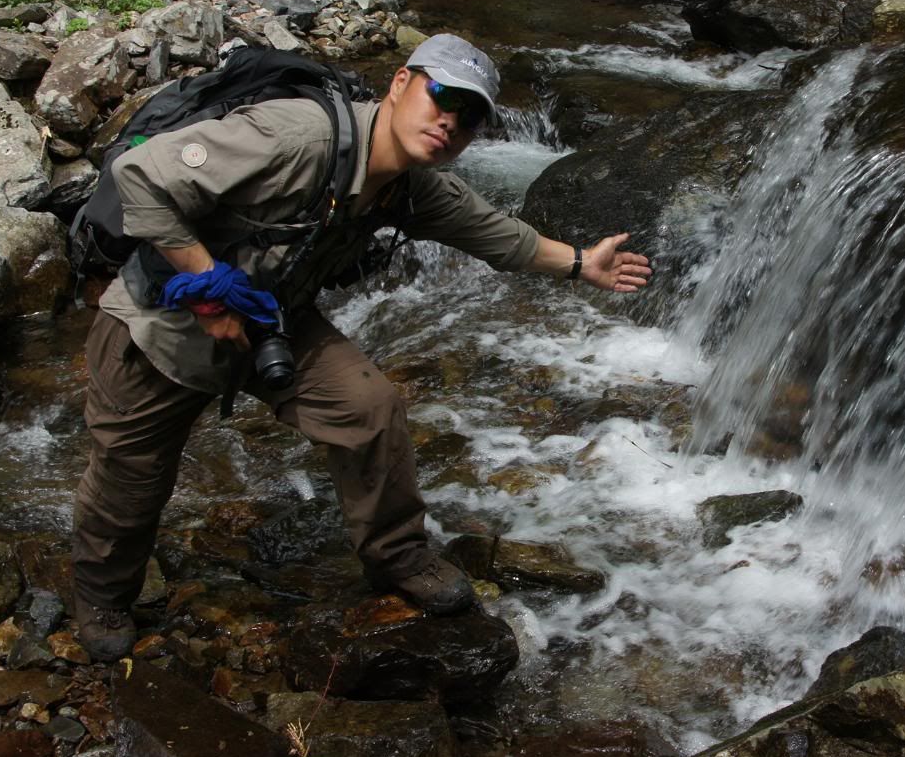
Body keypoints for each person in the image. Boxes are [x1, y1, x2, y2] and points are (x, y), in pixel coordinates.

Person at [72, 34, 651, 661]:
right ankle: (102, 597)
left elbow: (497, 234)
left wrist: (580, 263)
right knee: (132, 481)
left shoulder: (409, 186)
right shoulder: (294, 137)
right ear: (401, 83)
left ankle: (398, 556)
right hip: (159, 323)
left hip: (273, 321)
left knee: (367, 408)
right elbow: (141, 176)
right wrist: (210, 293)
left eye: (471, 116)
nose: (451, 120)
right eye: (443, 96)